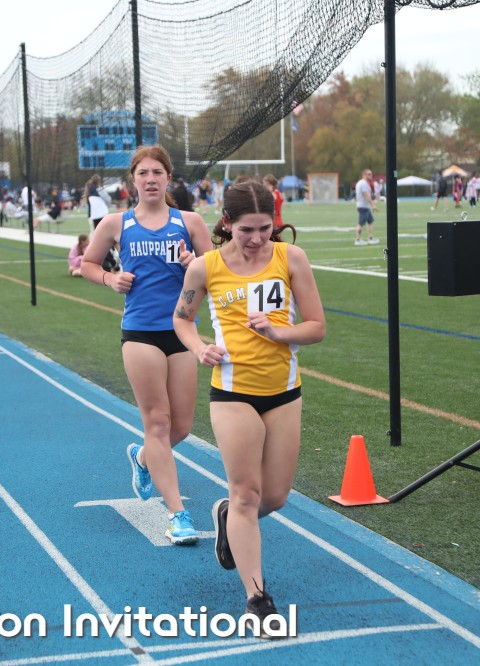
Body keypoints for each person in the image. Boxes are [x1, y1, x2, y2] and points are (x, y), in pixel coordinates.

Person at [172, 180, 326, 629]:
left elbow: (317, 327)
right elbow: (182, 319)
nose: (257, 238)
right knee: (246, 493)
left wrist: (279, 332)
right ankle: (257, 597)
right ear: (227, 223)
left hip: (284, 392)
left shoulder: (291, 258)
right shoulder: (204, 267)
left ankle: (227, 518)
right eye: (246, 230)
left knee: (274, 497)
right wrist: (199, 347)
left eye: (265, 228)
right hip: (232, 393)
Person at [81, 144, 213, 545]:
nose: (151, 179)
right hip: (140, 332)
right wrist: (110, 278)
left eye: (157, 172)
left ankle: (142, 457)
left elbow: (217, 273)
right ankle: (177, 515)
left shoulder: (190, 222)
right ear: (132, 181)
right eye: (143, 173)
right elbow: (87, 264)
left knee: (181, 427)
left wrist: (195, 265)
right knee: (157, 422)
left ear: (168, 178)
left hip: (182, 333)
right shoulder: (115, 223)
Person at [354, 168, 379, 245]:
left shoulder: (360, 183)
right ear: (364, 175)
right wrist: (373, 205)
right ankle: (358, 239)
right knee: (361, 223)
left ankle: (370, 238)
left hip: (363, 206)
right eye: (369, 174)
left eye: (371, 174)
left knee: (370, 221)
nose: (371, 176)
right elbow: (367, 196)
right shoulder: (363, 183)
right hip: (363, 206)